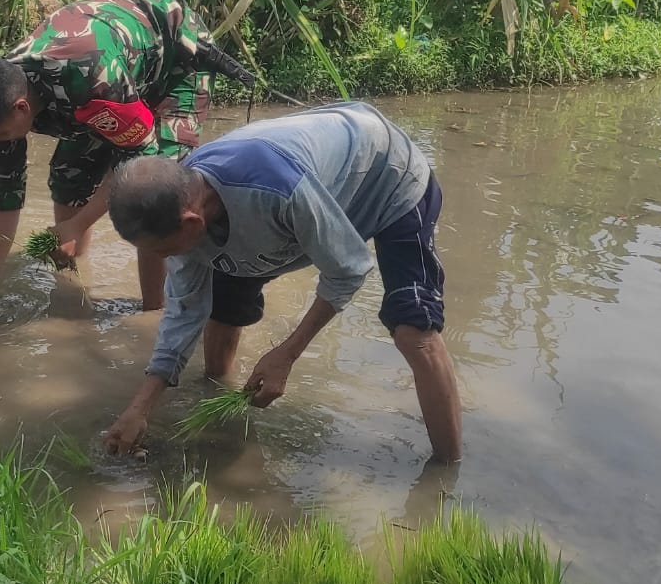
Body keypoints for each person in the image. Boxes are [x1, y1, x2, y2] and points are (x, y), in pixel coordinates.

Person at [100, 101, 462, 463]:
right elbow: (185, 312)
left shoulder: (278, 191)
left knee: (414, 331)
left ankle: (447, 474)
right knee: (224, 305)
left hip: (388, 177)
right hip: (313, 188)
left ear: (192, 223)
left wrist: (286, 354)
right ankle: (224, 416)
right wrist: (140, 408)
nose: (164, 261)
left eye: (164, 251)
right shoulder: (184, 199)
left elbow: (348, 267)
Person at [0, 0, 251, 320]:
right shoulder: (0, 96)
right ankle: (74, 282)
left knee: (152, 192)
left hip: (175, 59)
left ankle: (155, 312)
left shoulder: (91, 79)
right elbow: (3, 196)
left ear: (21, 108)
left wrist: (77, 224)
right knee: (69, 175)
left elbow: (138, 159)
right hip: (105, 78)